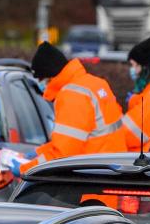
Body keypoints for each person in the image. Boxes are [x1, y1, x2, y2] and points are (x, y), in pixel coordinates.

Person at [18, 42, 127, 175]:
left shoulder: (72, 96)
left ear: (50, 77)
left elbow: (63, 154)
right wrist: (38, 152)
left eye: (40, 79)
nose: (40, 84)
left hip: (92, 176)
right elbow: (78, 139)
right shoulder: (95, 84)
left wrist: (25, 169)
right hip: (111, 169)